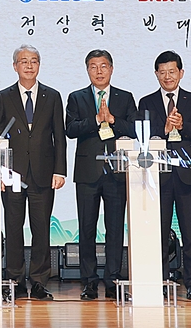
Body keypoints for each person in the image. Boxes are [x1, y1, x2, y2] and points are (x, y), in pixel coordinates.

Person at [0, 44, 66, 301]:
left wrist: (60, 170)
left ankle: (39, 282)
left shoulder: (52, 96)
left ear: (39, 65)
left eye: (34, 61)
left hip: (43, 173)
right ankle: (14, 281)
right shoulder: (4, 96)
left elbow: (59, 137)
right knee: (13, 228)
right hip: (12, 174)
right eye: (24, 61)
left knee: (41, 229)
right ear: (15, 66)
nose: (29, 65)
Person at [137, 51, 191, 301]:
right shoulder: (146, 102)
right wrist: (164, 129)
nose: (167, 76)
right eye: (162, 72)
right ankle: (159, 281)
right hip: (158, 177)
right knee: (158, 233)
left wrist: (182, 126)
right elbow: (142, 134)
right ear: (156, 74)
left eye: (172, 71)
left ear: (181, 73)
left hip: (188, 176)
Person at [65, 49, 136, 301]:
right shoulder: (77, 97)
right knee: (87, 228)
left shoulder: (125, 97)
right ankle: (89, 281)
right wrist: (96, 120)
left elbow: (135, 129)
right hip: (87, 172)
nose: (99, 71)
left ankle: (113, 279)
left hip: (117, 171)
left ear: (111, 69)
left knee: (114, 229)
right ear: (87, 70)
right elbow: (70, 129)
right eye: (93, 66)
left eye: (103, 66)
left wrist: (113, 120)